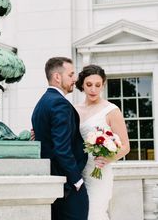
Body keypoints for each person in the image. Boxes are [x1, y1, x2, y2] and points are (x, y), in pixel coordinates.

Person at [31, 57, 89, 220]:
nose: (74, 79)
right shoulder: (59, 103)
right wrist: (76, 180)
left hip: (53, 182)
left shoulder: (41, 102)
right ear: (57, 77)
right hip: (68, 185)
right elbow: (62, 148)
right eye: (71, 75)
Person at [75, 64, 130, 220]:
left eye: (98, 85)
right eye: (89, 85)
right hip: (77, 172)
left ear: (103, 85)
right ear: (82, 85)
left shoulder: (111, 110)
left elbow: (126, 146)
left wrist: (108, 158)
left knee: (94, 214)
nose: (93, 89)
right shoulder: (74, 110)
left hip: (99, 172)